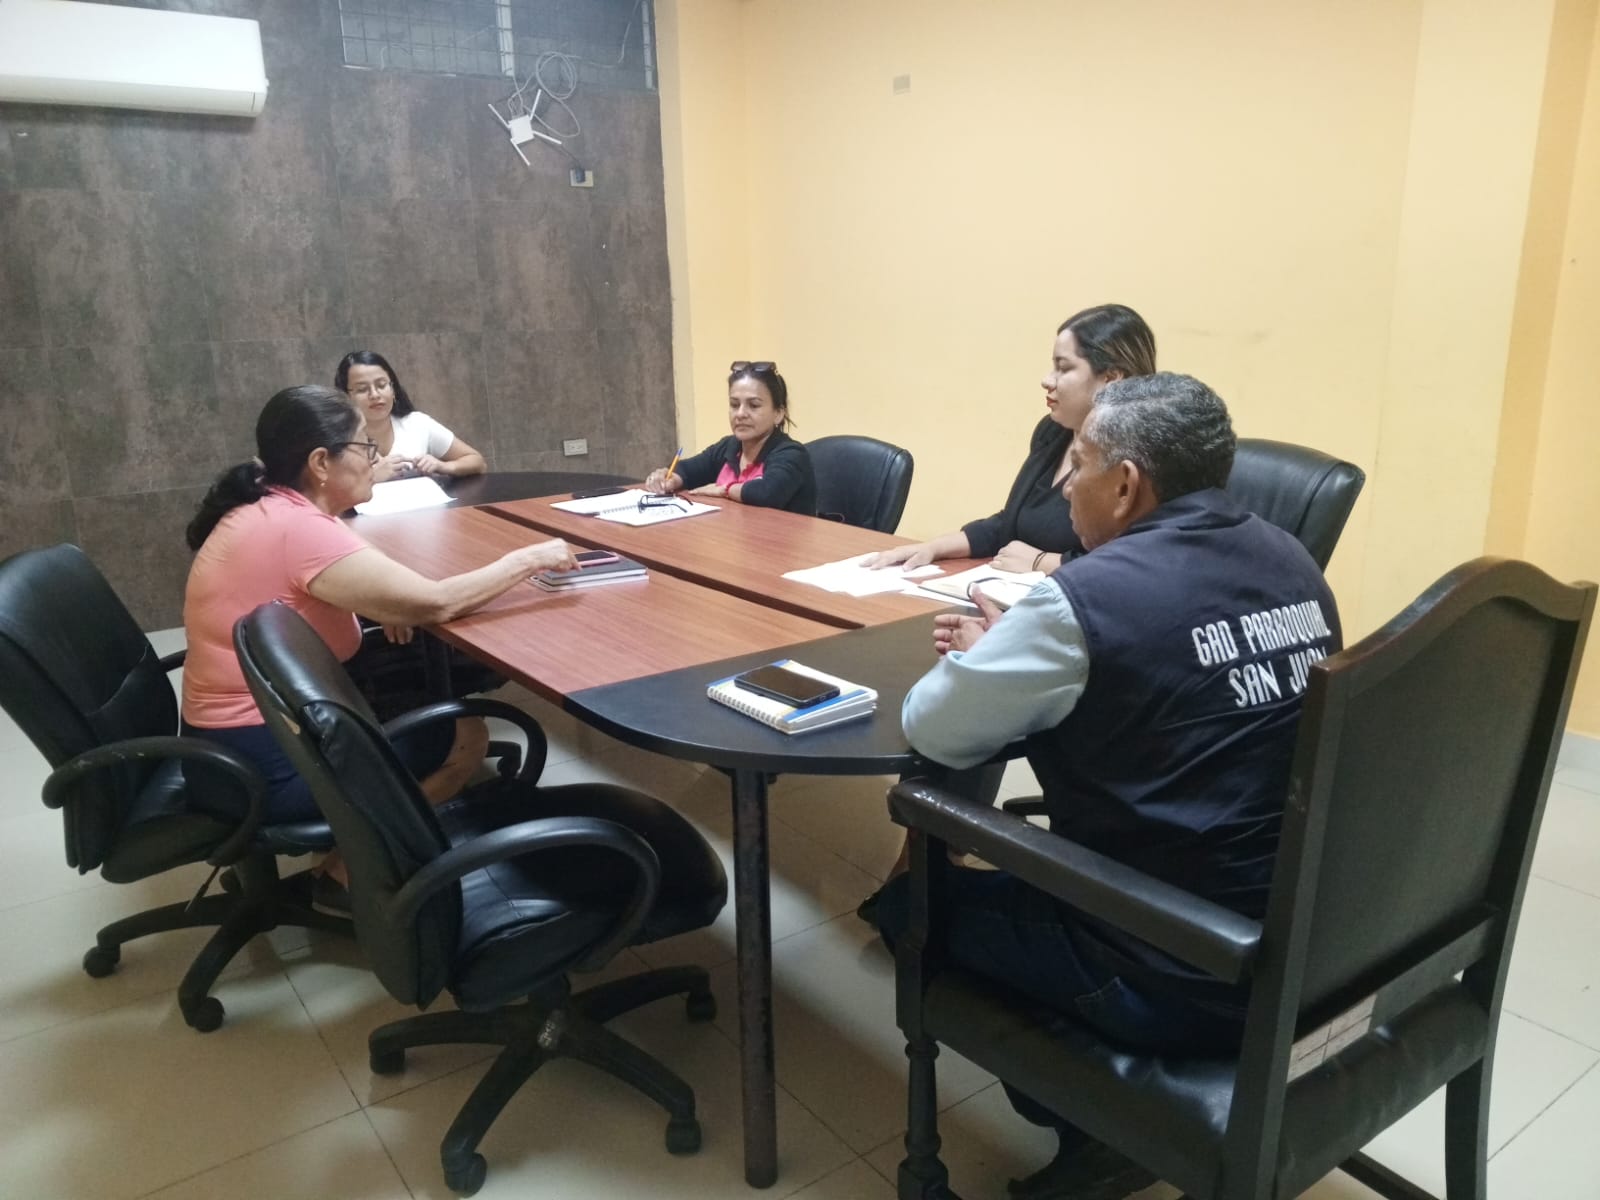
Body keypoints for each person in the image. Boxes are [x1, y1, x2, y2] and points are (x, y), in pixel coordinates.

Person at [874, 374, 1341, 1200]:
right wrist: (1022, 652)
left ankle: (1099, 1119)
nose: (1064, 482)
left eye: (1080, 461)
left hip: (1176, 961)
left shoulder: (1082, 601)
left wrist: (994, 658)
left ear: (1126, 485)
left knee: (904, 906)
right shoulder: (1293, 561)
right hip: (1309, 935)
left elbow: (933, 727)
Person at [182, 385, 574, 909]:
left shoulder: (271, 507)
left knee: (416, 699)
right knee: (466, 736)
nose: (375, 459)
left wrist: (387, 603)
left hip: (235, 742)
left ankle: (356, 850)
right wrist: (529, 559)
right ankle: (347, 872)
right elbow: (437, 602)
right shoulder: (299, 530)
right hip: (267, 760)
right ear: (320, 463)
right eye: (365, 448)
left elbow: (360, 573)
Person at [865, 304, 1155, 573]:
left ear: (1111, 379)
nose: (1047, 380)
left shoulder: (1136, 459)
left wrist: (1043, 563)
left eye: (1064, 368)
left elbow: (1131, 565)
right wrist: (932, 547)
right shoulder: (1053, 431)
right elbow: (1010, 524)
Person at [643, 361, 817, 514]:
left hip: (780, 539)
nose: (740, 414)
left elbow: (767, 493)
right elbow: (689, 469)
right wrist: (671, 478)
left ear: (778, 414)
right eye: (734, 404)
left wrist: (724, 490)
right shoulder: (730, 446)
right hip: (735, 535)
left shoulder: (792, 453)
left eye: (753, 405)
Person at [335, 350, 487, 482]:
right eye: (362, 389)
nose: (374, 395)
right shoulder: (337, 437)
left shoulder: (417, 423)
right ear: (345, 396)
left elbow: (477, 461)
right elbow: (327, 494)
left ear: (393, 390)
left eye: (381, 385)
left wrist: (442, 466)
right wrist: (373, 478)